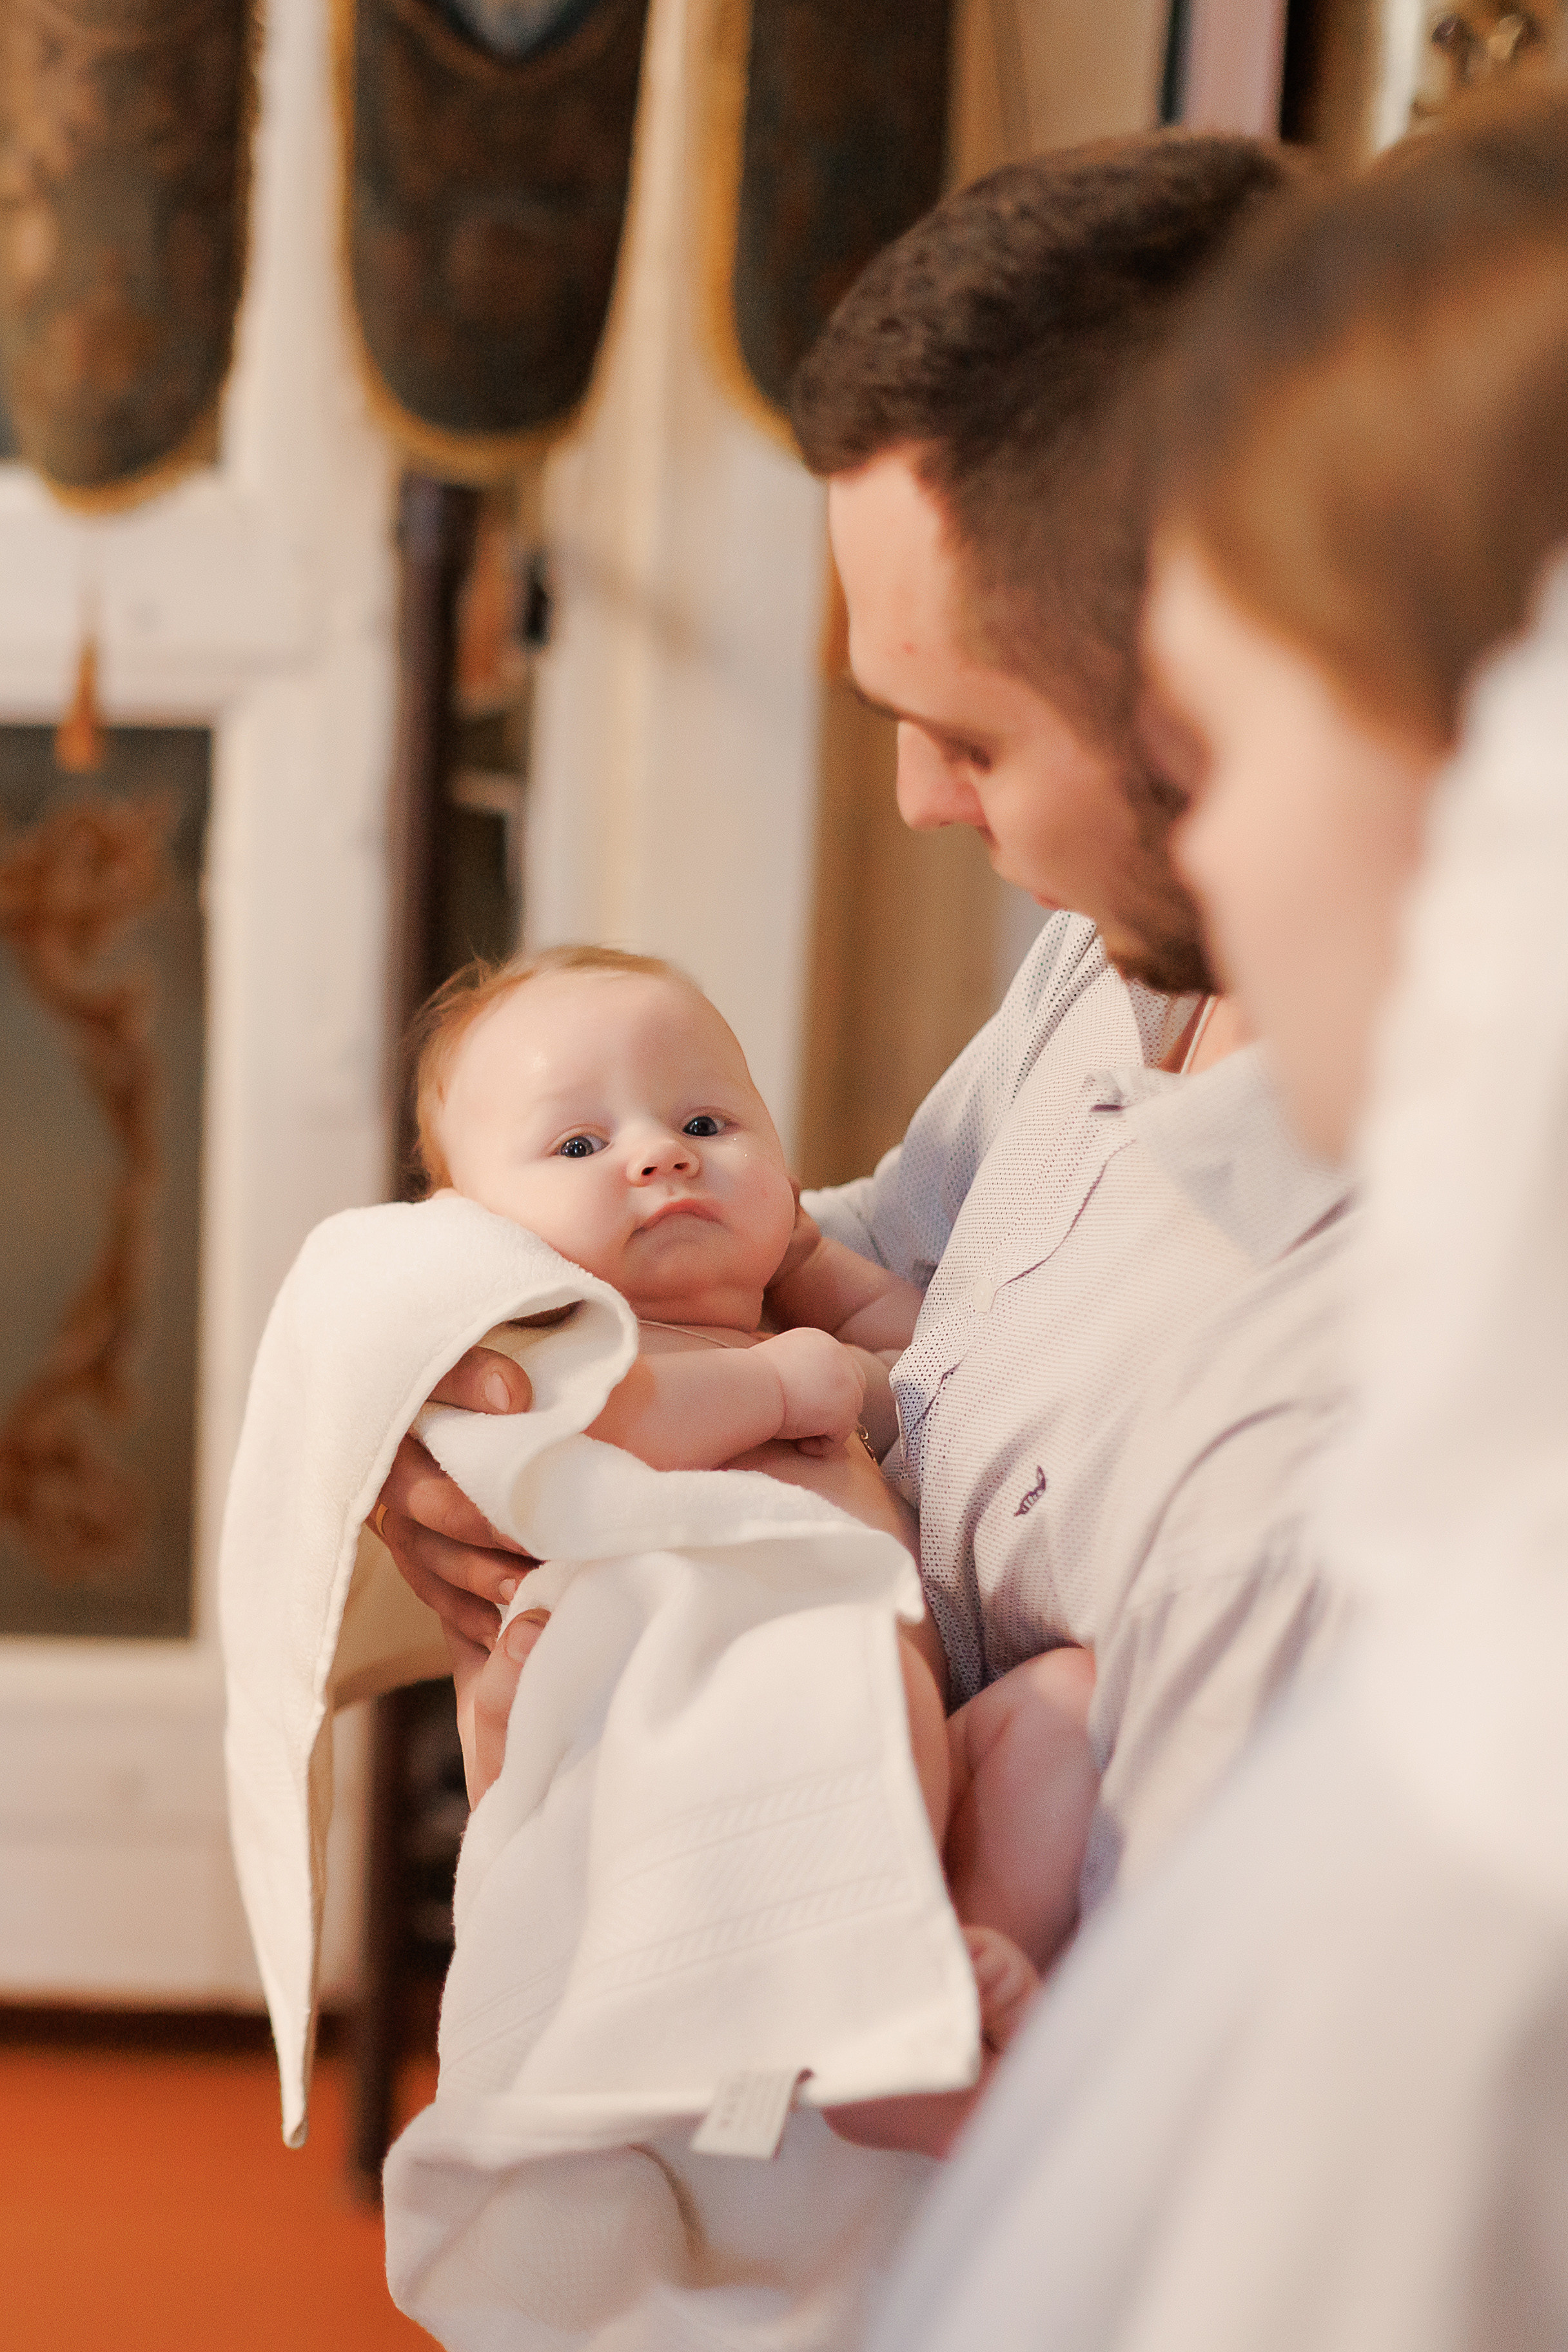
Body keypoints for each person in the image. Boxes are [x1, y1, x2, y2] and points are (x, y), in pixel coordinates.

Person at [378, 133, 1352, 1931]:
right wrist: (466, 1404)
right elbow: (847, 1248)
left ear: (1232, 682)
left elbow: (1115, 2145)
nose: (917, 799)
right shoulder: (1129, 956)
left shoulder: (1308, 1454)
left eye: (972, 739)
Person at [866, 86, 1568, 2351]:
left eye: (1240, 737)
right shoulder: (1110, 948)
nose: (1231, 836)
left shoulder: (1336, 1510)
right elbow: (890, 1252)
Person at [407, 938, 1099, 2146]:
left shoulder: (792, 1309)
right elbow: (603, 1441)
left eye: (708, 1120)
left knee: (1072, 1713)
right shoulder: (559, 1339)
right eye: (579, 1146)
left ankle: (939, 1972)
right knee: (762, 1698)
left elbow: (932, 1356)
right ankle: (834, 2007)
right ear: (475, 1235)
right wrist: (783, 1392)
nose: (659, 1153)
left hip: (892, 1755)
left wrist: (811, 1260)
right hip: (689, 1739)